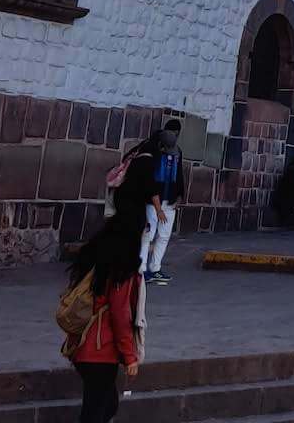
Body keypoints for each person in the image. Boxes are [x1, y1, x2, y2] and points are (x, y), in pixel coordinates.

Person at [61, 207, 144, 423]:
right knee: (96, 411)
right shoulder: (121, 271)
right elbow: (120, 315)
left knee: (106, 406)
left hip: (83, 346)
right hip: (100, 350)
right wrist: (130, 357)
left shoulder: (96, 259)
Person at [138, 120, 186, 285]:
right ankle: (142, 269)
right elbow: (149, 183)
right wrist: (158, 208)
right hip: (152, 201)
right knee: (147, 235)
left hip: (169, 200)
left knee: (164, 236)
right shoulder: (151, 151)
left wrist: (179, 196)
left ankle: (155, 268)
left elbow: (179, 176)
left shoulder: (177, 152)